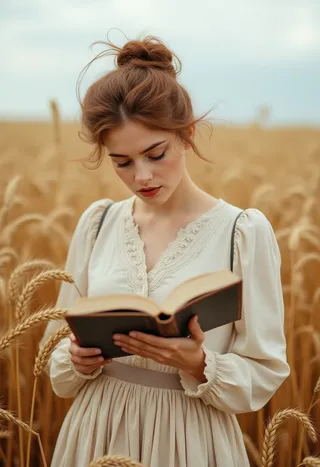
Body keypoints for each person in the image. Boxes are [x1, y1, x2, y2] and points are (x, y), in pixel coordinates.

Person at [40, 35, 290, 467]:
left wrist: (199, 363)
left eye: (156, 153)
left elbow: (266, 371)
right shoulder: (97, 223)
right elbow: (56, 351)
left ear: (187, 133)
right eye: (122, 162)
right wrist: (76, 359)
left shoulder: (242, 232)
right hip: (97, 431)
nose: (142, 176)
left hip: (190, 440)